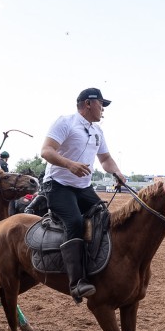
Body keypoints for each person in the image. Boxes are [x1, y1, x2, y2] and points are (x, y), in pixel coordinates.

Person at [40, 87, 126, 304]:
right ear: (88, 103)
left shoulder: (98, 131)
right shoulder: (65, 122)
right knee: (75, 222)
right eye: (101, 104)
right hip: (57, 185)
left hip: (82, 187)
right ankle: (77, 282)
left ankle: (96, 266)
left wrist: (117, 173)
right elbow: (46, 151)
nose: (103, 109)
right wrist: (70, 165)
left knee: (104, 218)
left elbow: (105, 159)